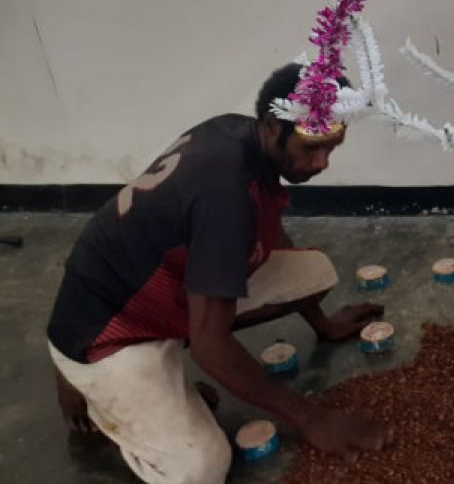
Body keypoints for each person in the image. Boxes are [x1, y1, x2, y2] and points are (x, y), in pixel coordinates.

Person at [47, 63, 393, 483]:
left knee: (313, 273)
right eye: (311, 148)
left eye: (332, 148)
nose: (322, 163)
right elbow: (211, 345)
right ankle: (83, 378)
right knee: (202, 468)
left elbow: (267, 228)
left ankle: (161, 371)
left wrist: (322, 324)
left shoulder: (236, 133)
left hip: (155, 291)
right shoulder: (225, 197)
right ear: (272, 126)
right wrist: (311, 418)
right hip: (105, 332)